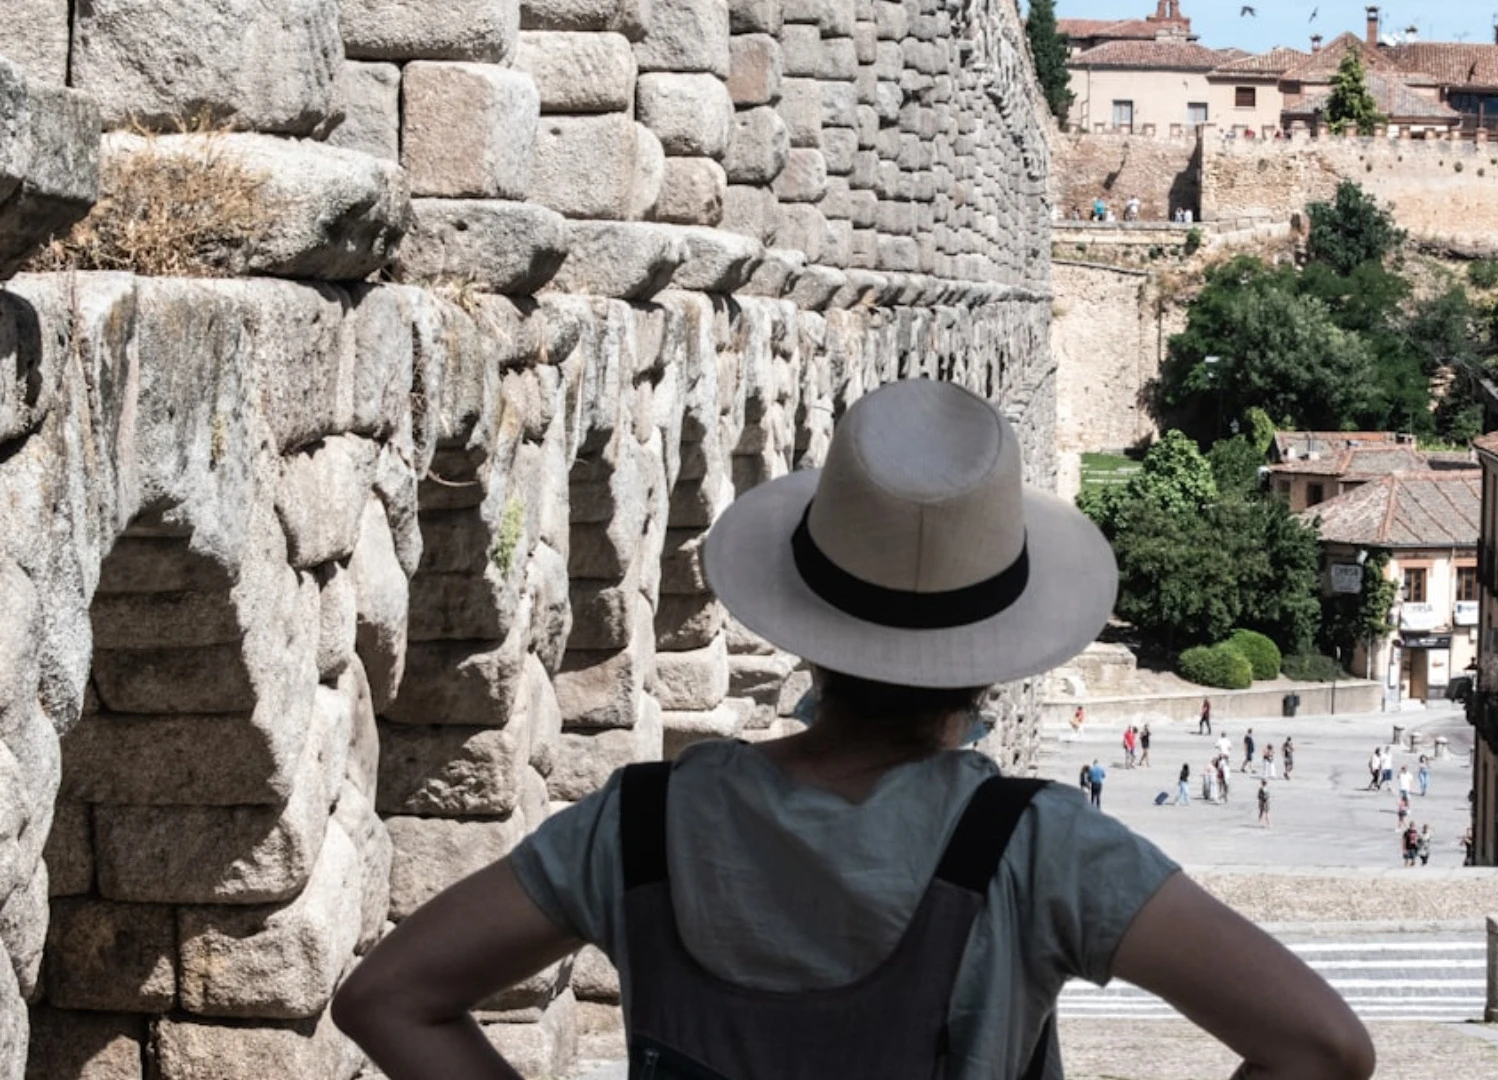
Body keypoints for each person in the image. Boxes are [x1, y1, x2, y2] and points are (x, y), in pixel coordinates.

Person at [331, 378, 1374, 1080]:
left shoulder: (642, 823)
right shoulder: (1040, 848)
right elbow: (1323, 1047)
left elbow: (390, 999)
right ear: (993, 661)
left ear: (808, 634)